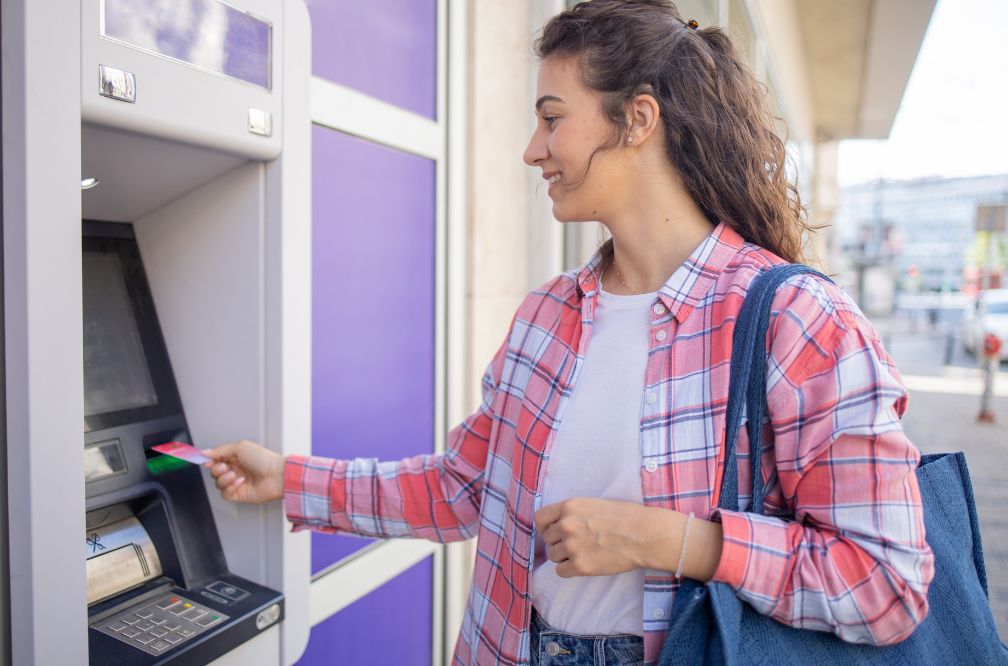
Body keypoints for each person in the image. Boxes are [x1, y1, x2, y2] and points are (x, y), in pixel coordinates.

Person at [204, 1, 934, 664]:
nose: (532, 149)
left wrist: (671, 541)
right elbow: (463, 489)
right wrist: (289, 480)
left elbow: (885, 584)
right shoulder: (548, 315)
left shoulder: (797, 322)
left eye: (552, 117)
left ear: (638, 119)